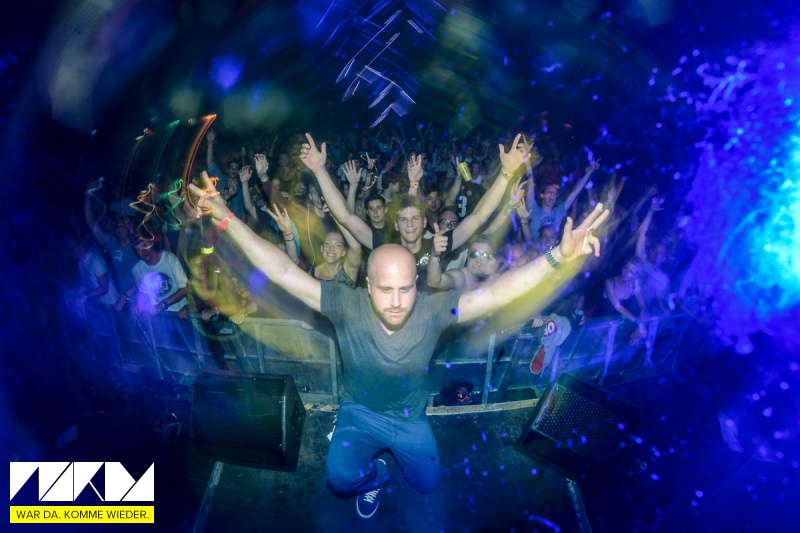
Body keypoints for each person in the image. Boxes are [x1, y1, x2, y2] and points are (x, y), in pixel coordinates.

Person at [187, 170, 609, 520]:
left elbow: (497, 293)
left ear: (416, 286)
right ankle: (376, 477)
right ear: (369, 287)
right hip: (359, 411)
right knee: (339, 479)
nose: (395, 301)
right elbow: (281, 271)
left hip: (409, 418)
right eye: (385, 289)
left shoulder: (432, 309)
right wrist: (226, 218)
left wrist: (558, 258)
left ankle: (392, 465)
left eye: (405, 289)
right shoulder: (346, 304)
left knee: (429, 484)